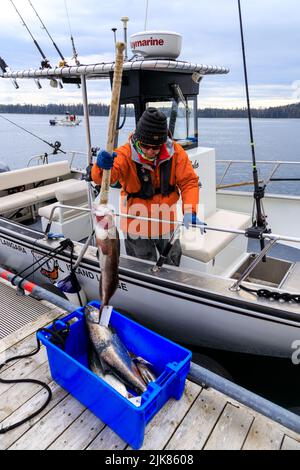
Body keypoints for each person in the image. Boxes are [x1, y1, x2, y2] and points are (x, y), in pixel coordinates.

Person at [91, 107, 205, 266]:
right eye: (146, 145)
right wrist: (101, 166)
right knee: (142, 266)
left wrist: (190, 211)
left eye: (156, 147)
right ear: (137, 139)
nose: (151, 151)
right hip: (136, 223)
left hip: (167, 220)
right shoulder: (124, 154)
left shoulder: (176, 152)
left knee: (173, 260)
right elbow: (102, 179)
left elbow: (189, 182)